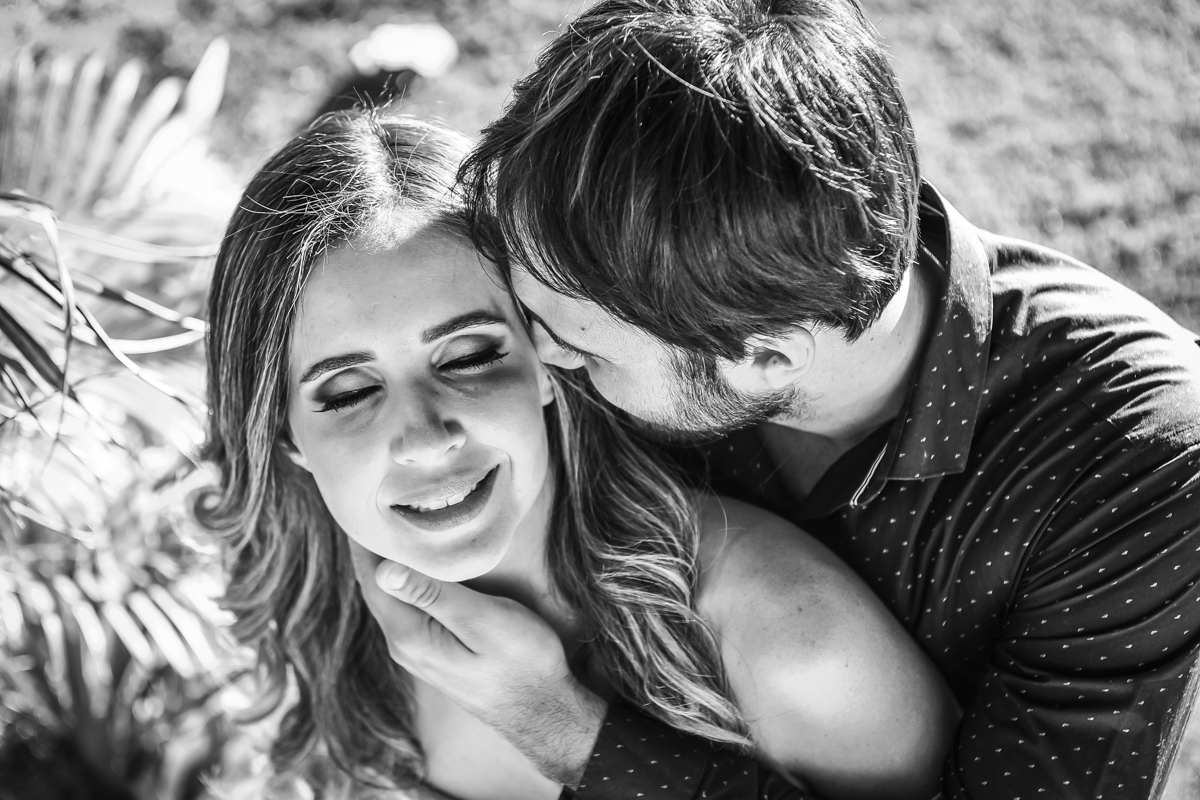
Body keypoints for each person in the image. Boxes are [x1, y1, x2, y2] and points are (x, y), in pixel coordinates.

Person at [437, 0, 1200, 798]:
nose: (543, 361)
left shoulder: (1135, 465)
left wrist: (570, 736)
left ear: (765, 357)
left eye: (583, 350)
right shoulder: (665, 302)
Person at [194, 110, 958, 800]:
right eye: (350, 392)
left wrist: (565, 731)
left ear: (547, 363)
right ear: (285, 434)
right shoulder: (325, 639)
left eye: (467, 357)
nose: (425, 437)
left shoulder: (789, 642)